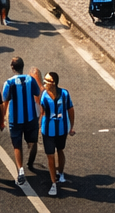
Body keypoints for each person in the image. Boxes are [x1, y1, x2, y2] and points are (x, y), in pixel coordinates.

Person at [2, 56, 40, 187]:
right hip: (30, 118)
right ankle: (31, 161)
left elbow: (5, 101)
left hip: (15, 120)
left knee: (17, 146)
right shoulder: (31, 80)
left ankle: (21, 170)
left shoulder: (9, 82)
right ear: (23, 66)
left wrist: (2, 119)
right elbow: (37, 94)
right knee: (33, 141)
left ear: (12, 68)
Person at [37, 69, 74, 198]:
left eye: (47, 80)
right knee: (50, 156)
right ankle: (53, 182)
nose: (45, 82)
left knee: (60, 150)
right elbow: (43, 112)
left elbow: (70, 109)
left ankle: (61, 173)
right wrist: (39, 126)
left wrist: (71, 127)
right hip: (48, 131)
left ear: (54, 83)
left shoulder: (64, 94)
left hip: (61, 130)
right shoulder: (44, 96)